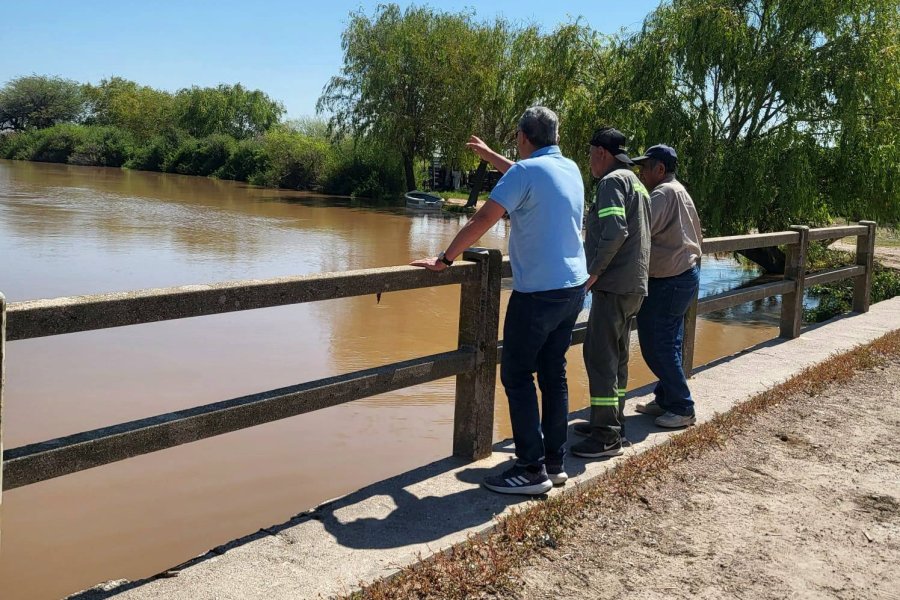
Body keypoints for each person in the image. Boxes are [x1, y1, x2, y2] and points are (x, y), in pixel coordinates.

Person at [411, 106, 587, 495]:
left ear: (524, 138)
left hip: (538, 293)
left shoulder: (526, 172)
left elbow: (481, 220)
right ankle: (555, 463)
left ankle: (529, 469)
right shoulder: (569, 168)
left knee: (516, 374)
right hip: (573, 288)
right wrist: (491, 156)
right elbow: (528, 179)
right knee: (553, 373)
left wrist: (444, 259)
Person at [570, 127, 650, 459]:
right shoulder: (638, 184)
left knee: (600, 358)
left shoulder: (611, 182)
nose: (589, 161)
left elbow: (616, 230)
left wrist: (593, 272)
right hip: (635, 284)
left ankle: (605, 436)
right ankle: (611, 422)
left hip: (613, 284)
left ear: (601, 153)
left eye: (590, 154)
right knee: (617, 357)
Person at [631, 144, 702, 428]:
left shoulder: (662, 193)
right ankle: (665, 397)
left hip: (670, 279)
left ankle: (683, 406)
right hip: (684, 274)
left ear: (660, 169)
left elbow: (640, 230)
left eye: (644, 167)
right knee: (670, 341)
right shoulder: (678, 190)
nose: (640, 173)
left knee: (655, 343)